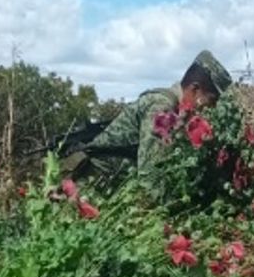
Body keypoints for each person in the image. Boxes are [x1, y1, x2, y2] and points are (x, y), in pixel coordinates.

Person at [65, 50, 232, 182]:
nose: (211, 108)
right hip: (91, 188)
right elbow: (149, 177)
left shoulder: (173, 109)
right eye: (211, 100)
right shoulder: (162, 107)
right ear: (195, 89)